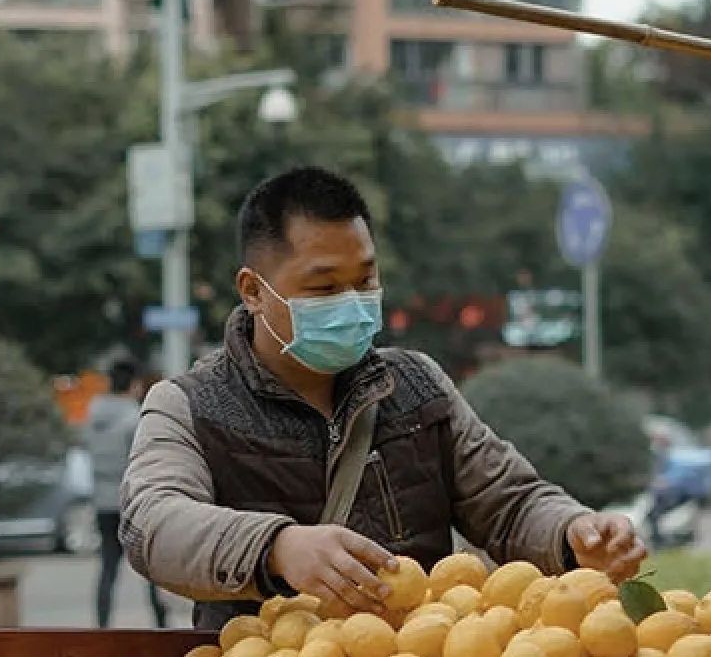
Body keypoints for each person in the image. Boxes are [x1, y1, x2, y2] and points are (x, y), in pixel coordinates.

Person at [120, 166, 644, 629]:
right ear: (254, 290)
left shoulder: (418, 385)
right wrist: (277, 546)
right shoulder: (188, 405)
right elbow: (153, 523)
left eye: (365, 279)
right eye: (324, 289)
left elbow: (509, 504)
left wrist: (573, 531)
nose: (351, 303)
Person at [86, 359, 167, 629]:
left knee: (108, 567)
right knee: (152, 568)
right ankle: (161, 623)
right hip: (133, 503)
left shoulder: (93, 416)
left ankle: (101, 624)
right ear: (134, 385)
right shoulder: (136, 417)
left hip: (102, 502)